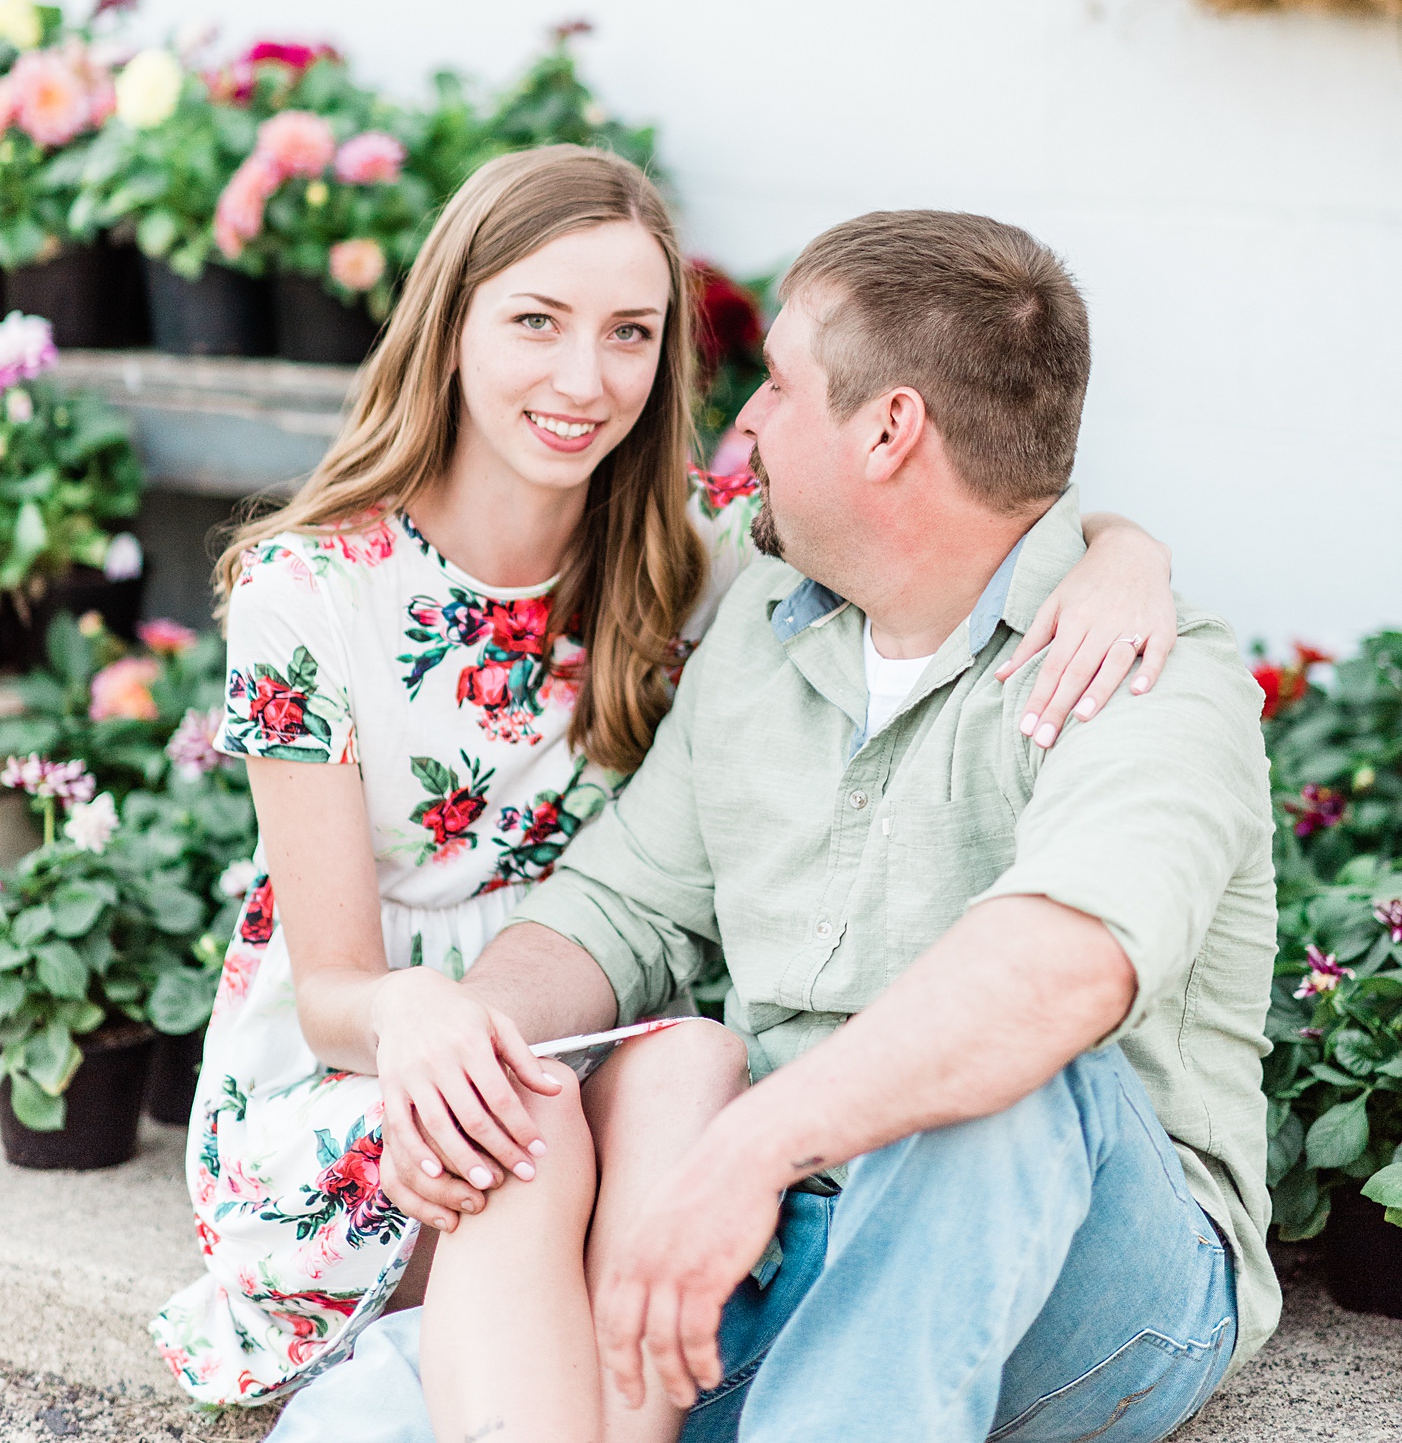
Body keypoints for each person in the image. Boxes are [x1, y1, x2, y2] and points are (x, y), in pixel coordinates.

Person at [150, 154, 1179, 1421]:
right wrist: (426, 1017)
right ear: (450, 323)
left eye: (628, 334)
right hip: (385, 1057)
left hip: (590, 1040)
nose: (585, 381)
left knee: (693, 1053)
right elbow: (331, 997)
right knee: (522, 1113)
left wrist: (1123, 554)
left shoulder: (688, 557)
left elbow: (947, 521)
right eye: (536, 321)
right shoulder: (310, 590)